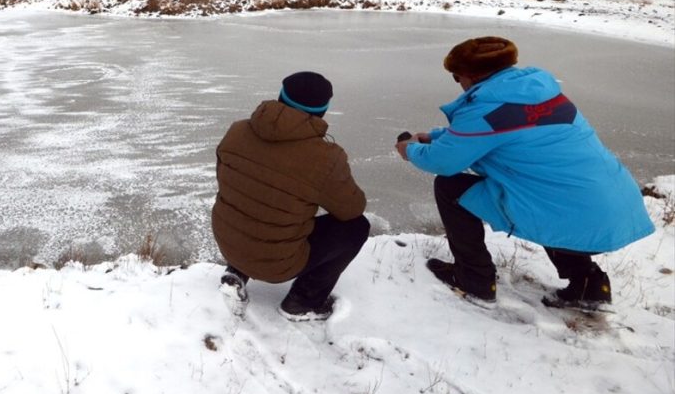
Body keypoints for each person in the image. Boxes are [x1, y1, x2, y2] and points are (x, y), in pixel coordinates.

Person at [395, 36, 655, 308]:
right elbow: (503, 129)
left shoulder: (485, 109)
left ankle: (474, 280)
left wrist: (409, 149)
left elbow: (443, 162)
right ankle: (589, 284)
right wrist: (438, 135)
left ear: (471, 75)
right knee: (547, 192)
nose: (458, 83)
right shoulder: (540, 91)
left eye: (456, 76)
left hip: (575, 215)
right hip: (615, 208)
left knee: (449, 187)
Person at [212, 71, 370, 321]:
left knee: (251, 196)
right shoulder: (326, 157)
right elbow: (352, 209)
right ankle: (302, 303)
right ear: (323, 111)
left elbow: (225, 178)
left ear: (280, 98)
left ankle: (237, 272)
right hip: (276, 264)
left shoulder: (237, 131)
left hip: (227, 240)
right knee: (357, 228)